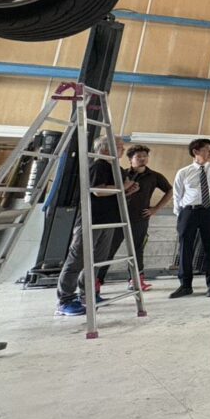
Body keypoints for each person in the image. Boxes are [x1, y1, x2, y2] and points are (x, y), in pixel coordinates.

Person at [55, 135, 130, 317]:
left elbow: (115, 193)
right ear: (105, 148)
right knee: (77, 260)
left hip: (110, 220)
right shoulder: (98, 166)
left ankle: (86, 295)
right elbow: (98, 191)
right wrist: (123, 187)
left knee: (97, 260)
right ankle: (64, 300)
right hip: (91, 220)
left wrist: (127, 190)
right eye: (119, 145)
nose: (123, 149)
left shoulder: (117, 169)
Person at [96, 144, 172, 292]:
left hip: (140, 219)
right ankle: (97, 280)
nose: (142, 159)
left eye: (145, 156)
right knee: (109, 249)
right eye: (138, 156)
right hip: (119, 218)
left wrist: (155, 209)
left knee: (137, 250)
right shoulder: (122, 174)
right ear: (130, 159)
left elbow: (169, 190)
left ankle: (136, 280)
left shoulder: (154, 176)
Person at [170, 138, 210, 299]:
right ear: (195, 152)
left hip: (209, 211)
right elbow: (177, 195)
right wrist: (180, 214)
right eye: (207, 150)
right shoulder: (184, 172)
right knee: (185, 248)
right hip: (189, 212)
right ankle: (185, 285)